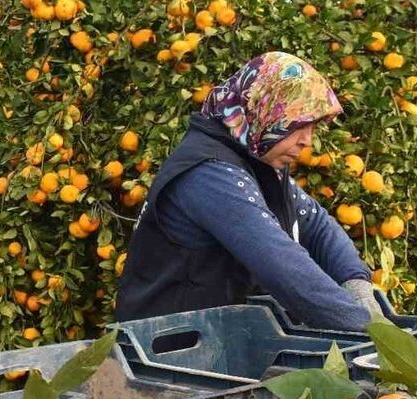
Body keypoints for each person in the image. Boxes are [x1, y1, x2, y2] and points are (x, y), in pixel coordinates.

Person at [115, 51, 385, 329]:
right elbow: (281, 264)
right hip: (168, 349)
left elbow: (317, 225)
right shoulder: (209, 174)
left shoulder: (255, 161)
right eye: (297, 125)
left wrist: (357, 284)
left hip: (215, 340)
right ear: (265, 110)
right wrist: (371, 330)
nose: (307, 142)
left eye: (312, 128)